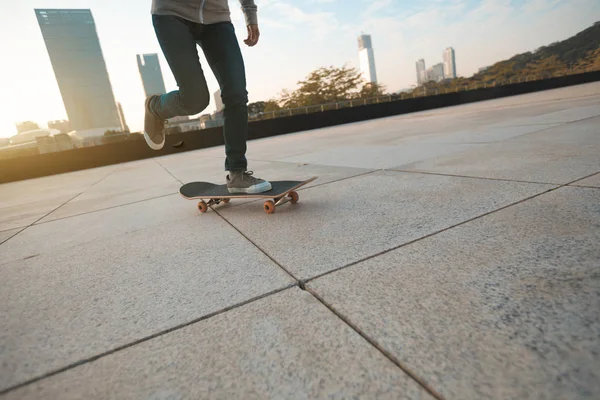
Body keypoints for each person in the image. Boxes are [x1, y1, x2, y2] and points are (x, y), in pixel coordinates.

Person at [143, 0, 272, 194]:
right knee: (195, 100)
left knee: (236, 93)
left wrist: (250, 14)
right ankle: (155, 107)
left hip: (217, 18)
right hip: (171, 13)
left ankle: (237, 173)